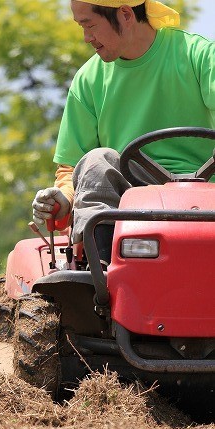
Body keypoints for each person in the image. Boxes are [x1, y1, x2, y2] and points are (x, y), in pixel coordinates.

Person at [32, 0, 215, 264]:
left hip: (206, 198)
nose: (86, 38)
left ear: (126, 14)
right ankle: (103, 273)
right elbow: (70, 168)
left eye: (89, 25)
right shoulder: (88, 80)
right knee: (97, 160)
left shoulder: (200, 55)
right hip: (128, 202)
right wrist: (63, 198)